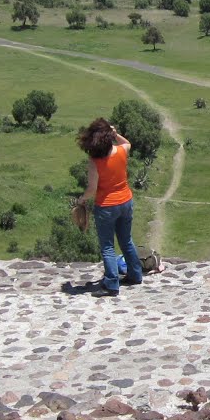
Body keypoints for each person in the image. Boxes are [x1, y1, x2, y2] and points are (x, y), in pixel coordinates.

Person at [74, 117, 144, 298]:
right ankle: (135, 274)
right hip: (126, 201)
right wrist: (115, 133)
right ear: (108, 136)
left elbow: (92, 189)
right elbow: (127, 143)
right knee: (126, 240)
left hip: (106, 206)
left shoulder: (94, 161)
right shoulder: (121, 151)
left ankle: (112, 283)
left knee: (107, 246)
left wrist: (81, 200)